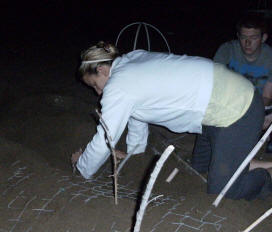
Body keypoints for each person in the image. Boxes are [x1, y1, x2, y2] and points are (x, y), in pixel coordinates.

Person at [71, 41, 272, 201]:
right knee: (199, 167)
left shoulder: (118, 85)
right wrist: (135, 154)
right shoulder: (131, 60)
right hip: (215, 110)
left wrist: (82, 167)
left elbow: (105, 137)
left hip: (238, 109)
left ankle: (267, 177)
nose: (98, 93)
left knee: (222, 189)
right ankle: (243, 162)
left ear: (102, 70)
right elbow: (137, 114)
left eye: (96, 85)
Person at [214, 13, 272, 151]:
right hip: (230, 102)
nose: (247, 43)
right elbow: (216, 84)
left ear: (263, 38)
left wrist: (258, 114)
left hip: (258, 104)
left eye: (253, 38)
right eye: (244, 37)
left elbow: (267, 96)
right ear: (238, 36)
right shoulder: (226, 50)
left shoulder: (270, 57)